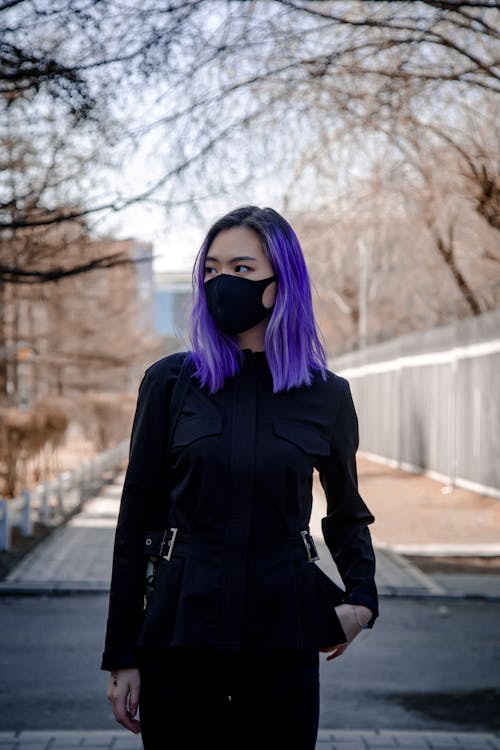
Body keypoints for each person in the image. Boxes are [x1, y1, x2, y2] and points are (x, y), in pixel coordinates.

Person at [101, 205, 379, 749]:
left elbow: (346, 510)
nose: (221, 282)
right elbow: (135, 524)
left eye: (242, 269)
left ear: (282, 282)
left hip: (283, 640)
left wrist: (363, 601)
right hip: (180, 637)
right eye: (211, 269)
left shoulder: (325, 394)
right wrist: (122, 656)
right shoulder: (170, 382)